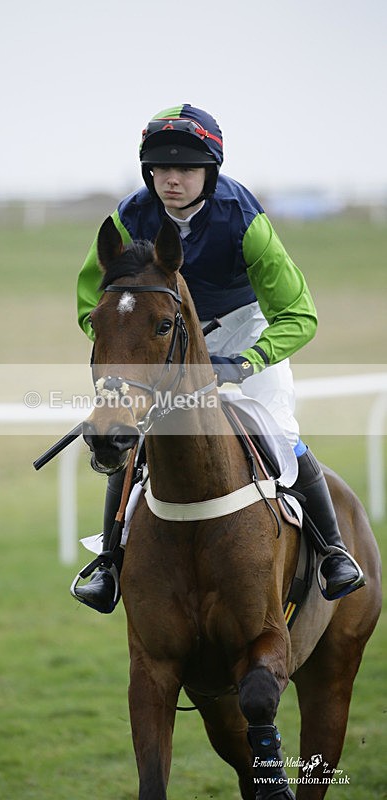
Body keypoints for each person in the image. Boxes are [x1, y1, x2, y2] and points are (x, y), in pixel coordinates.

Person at [72, 103, 364, 613]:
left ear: (210, 172)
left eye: (186, 168)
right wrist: (134, 356)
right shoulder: (127, 217)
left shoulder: (244, 220)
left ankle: (333, 553)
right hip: (163, 340)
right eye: (161, 168)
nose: (172, 179)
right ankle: (109, 565)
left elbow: (299, 314)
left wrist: (245, 362)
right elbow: (90, 307)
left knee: (279, 431)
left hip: (244, 332)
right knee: (129, 432)